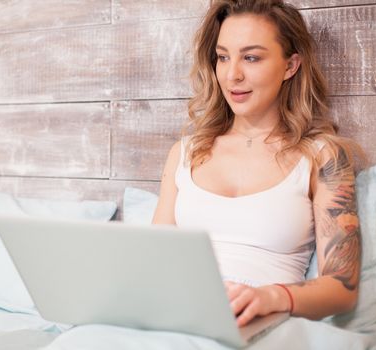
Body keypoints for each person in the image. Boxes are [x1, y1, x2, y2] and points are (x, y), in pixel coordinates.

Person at [152, 0, 363, 328]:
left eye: (251, 57)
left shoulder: (323, 156)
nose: (232, 74)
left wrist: (270, 297)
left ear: (290, 66)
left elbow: (342, 288)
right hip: (176, 317)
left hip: (260, 324)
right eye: (223, 57)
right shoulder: (184, 153)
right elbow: (154, 260)